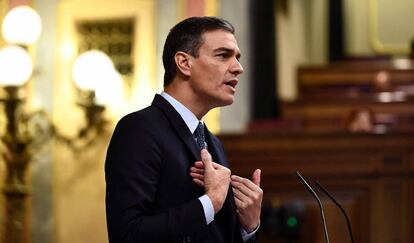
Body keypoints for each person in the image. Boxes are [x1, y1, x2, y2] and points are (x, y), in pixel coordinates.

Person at [105, 16, 263, 243]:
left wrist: (248, 227)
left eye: (237, 58)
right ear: (184, 63)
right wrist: (209, 204)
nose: (238, 68)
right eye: (223, 55)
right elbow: (128, 234)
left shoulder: (213, 142)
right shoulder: (138, 129)